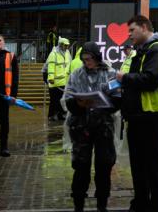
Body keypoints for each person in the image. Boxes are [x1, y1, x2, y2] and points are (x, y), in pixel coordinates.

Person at [117, 15, 158, 212]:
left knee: (153, 166)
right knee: (139, 165)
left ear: (143, 27)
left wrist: (123, 78)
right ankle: (140, 203)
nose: (129, 35)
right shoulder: (143, 51)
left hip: (152, 117)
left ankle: (156, 206)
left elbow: (150, 79)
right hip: (138, 117)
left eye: (132, 30)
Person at [65, 42, 122, 212]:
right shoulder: (76, 74)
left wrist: (107, 104)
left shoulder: (110, 73)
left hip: (104, 126)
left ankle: (102, 203)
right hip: (81, 127)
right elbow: (68, 100)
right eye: (84, 59)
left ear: (97, 57)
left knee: (104, 166)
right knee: (81, 166)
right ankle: (78, 202)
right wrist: (79, 104)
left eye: (89, 59)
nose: (86, 62)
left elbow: (118, 100)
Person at [44, 36, 72, 121]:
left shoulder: (67, 53)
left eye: (67, 45)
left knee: (61, 100)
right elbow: (51, 66)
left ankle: (60, 115)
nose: (66, 47)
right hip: (54, 82)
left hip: (64, 82)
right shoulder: (54, 53)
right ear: (60, 45)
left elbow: (69, 66)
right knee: (54, 100)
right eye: (65, 45)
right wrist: (51, 78)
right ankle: (52, 115)